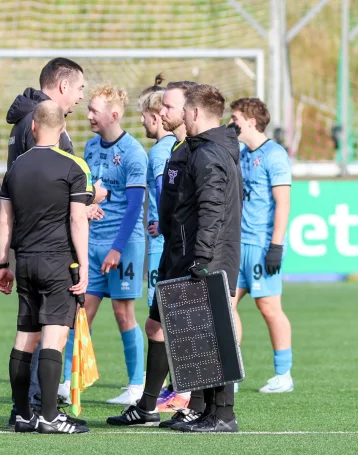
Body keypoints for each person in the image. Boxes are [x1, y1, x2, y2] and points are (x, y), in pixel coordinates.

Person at [107, 83, 243, 433]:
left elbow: (212, 210)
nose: (172, 113)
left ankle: (220, 414)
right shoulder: (194, 149)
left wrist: (200, 256)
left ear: (193, 112)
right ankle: (203, 411)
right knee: (196, 331)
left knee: (211, 332)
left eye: (176, 107)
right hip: (183, 252)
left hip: (203, 255)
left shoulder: (208, 153)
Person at [4, 58, 101, 428]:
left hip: (27, 249)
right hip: (52, 250)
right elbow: (50, 189)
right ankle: (39, 411)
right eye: (79, 90)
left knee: (28, 332)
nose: (80, 98)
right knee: (49, 334)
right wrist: (83, 204)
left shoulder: (24, 121)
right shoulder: (43, 125)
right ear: (62, 87)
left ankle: (27, 411)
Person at [58, 84, 148, 406]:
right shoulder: (92, 147)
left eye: (94, 110)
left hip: (123, 245)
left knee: (124, 314)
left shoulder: (135, 153)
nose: (89, 114)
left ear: (113, 114)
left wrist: (116, 248)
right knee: (81, 312)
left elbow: (135, 206)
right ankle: (71, 381)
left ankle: (137, 385)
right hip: (92, 243)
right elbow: (86, 191)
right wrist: (87, 206)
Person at [229, 98, 293, 393]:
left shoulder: (275, 155)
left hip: (261, 243)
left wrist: (276, 246)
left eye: (236, 118)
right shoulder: (241, 153)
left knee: (268, 307)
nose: (232, 124)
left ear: (251, 121)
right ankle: (232, 371)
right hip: (236, 244)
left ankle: (283, 374)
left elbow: (283, 203)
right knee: (226, 306)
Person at [138, 77, 191, 412]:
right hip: (166, 240)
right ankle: (175, 390)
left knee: (167, 321)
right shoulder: (169, 148)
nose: (142, 121)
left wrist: (164, 224)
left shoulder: (162, 152)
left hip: (165, 245)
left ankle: (179, 391)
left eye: (145, 115)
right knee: (163, 321)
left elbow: (163, 194)